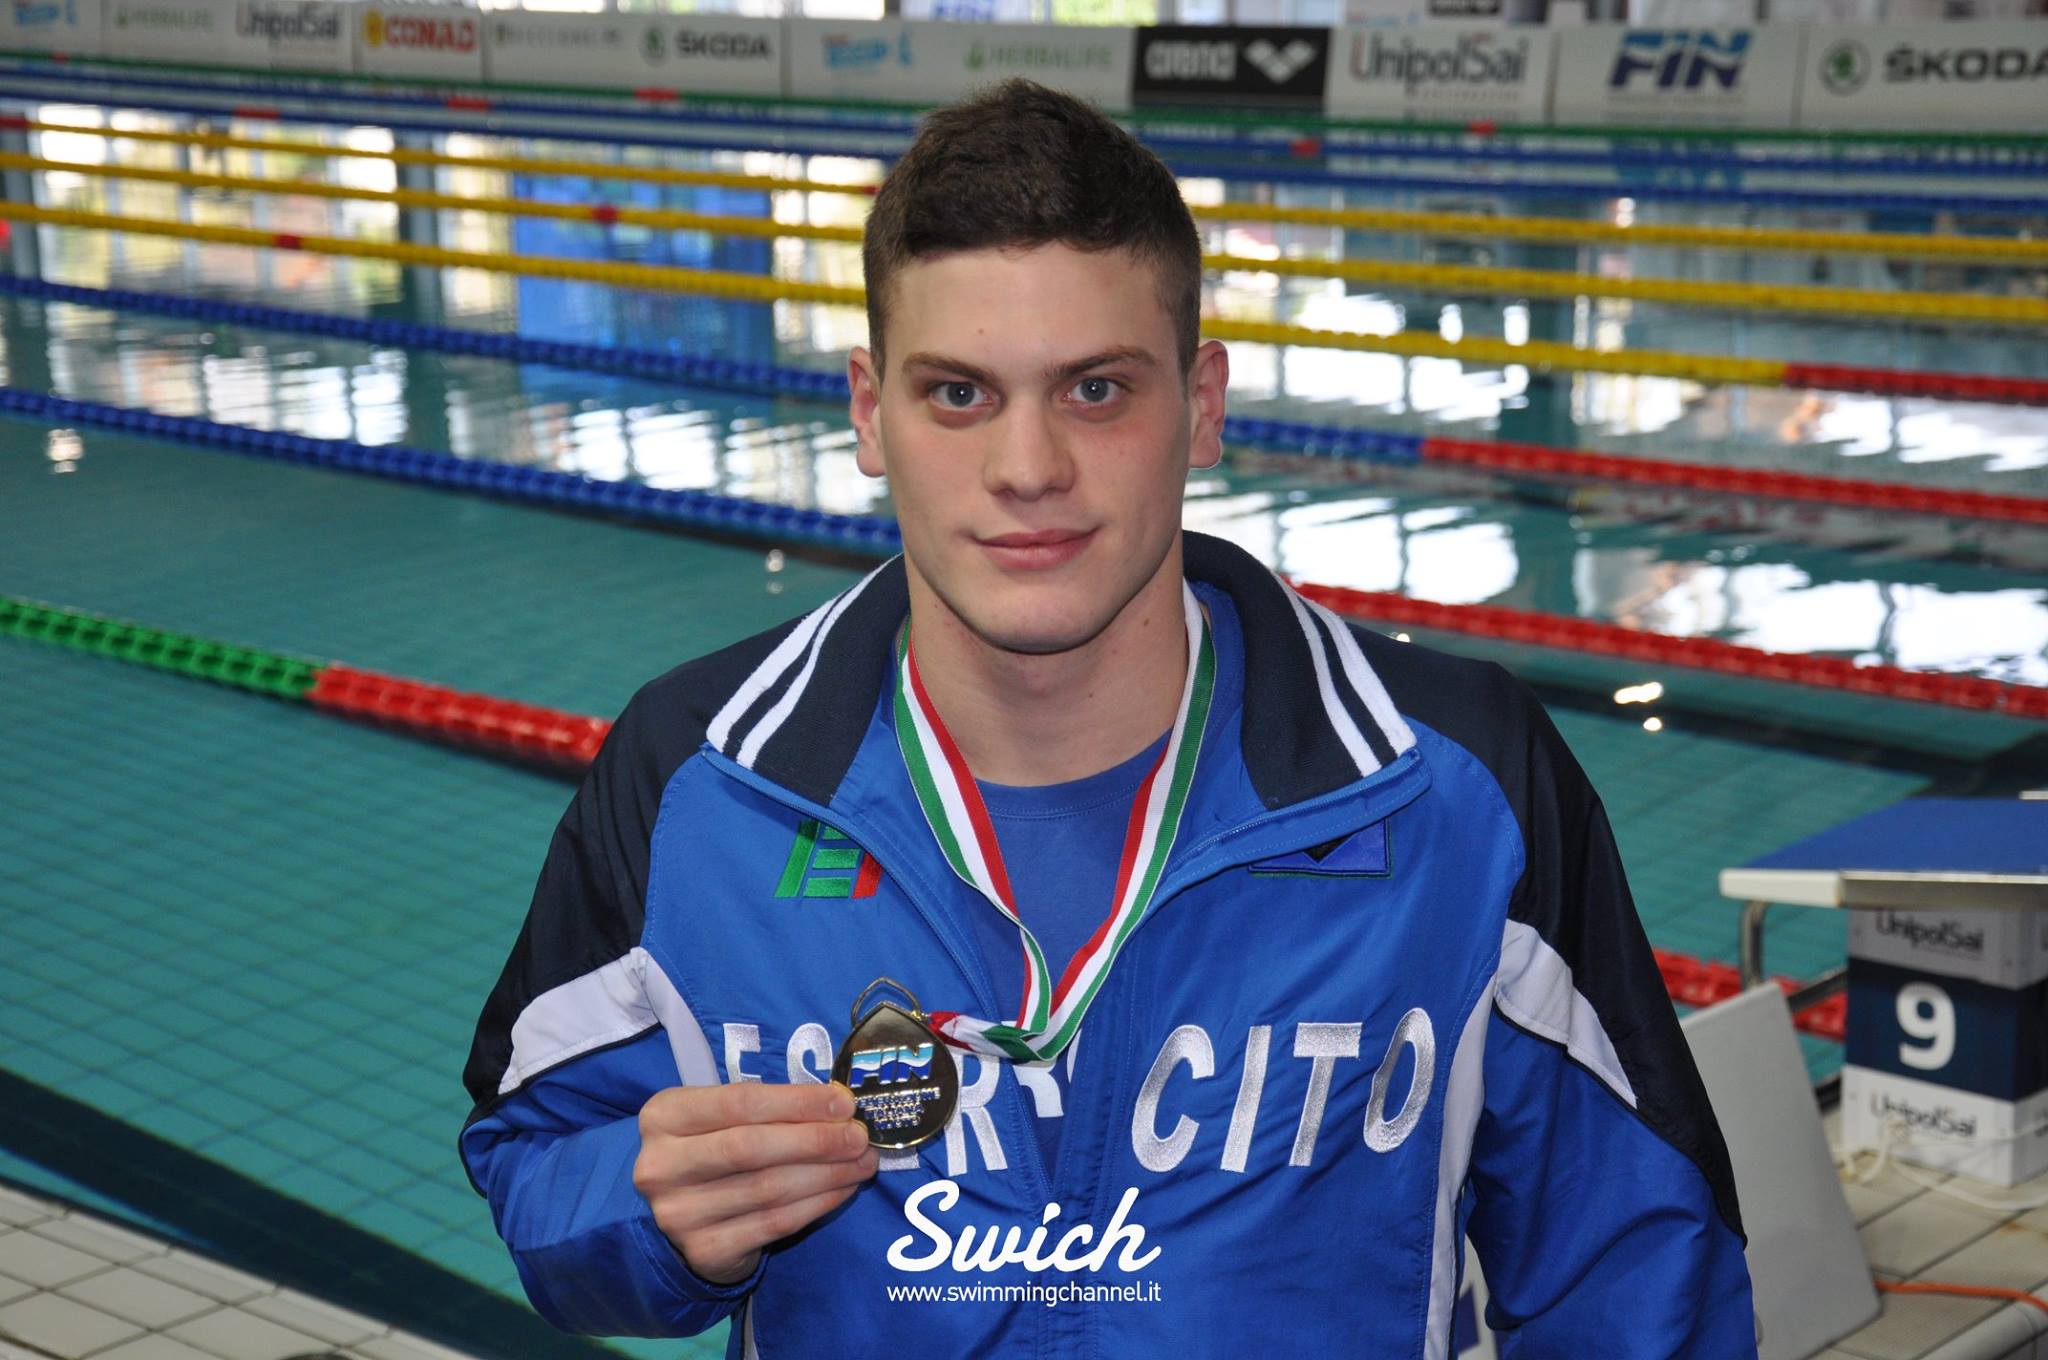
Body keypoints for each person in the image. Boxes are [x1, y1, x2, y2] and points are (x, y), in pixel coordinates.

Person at [460, 79, 1756, 1357]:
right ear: (869, 412)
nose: (1028, 470)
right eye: (957, 394)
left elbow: (1641, 1277)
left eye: (1095, 390)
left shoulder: (1455, 788)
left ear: (1202, 405)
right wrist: (647, 1217)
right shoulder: (697, 779)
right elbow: (534, 1162)